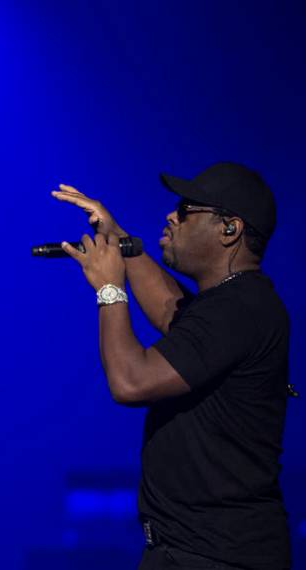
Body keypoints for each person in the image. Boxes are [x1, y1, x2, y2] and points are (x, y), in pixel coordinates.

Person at [52, 163, 291, 569]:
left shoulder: (239, 311)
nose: (170, 215)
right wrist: (117, 236)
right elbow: (170, 309)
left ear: (229, 229)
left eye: (186, 209)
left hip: (216, 556)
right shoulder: (229, 305)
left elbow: (130, 382)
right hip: (191, 551)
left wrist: (109, 288)